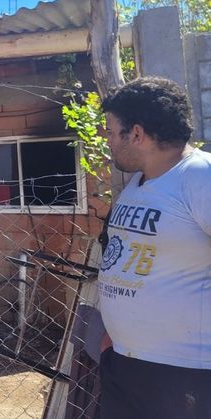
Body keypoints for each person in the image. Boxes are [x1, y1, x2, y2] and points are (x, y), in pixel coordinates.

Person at [97, 77, 211, 418]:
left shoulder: (200, 177)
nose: (107, 140)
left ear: (136, 134)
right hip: (126, 364)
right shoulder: (139, 182)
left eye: (110, 131)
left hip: (185, 375)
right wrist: (115, 338)